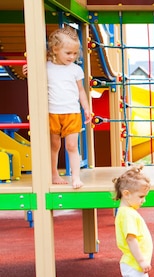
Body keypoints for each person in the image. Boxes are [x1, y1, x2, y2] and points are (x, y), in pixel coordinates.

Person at [26, 26, 92, 188]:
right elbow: (33, 79)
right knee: (54, 145)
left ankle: (76, 177)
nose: (72, 57)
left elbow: (81, 91)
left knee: (72, 146)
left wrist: (86, 108)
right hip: (52, 113)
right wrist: (28, 71)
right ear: (55, 50)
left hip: (72, 113)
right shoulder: (46, 67)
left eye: (75, 53)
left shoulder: (76, 70)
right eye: (68, 53)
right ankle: (54, 174)